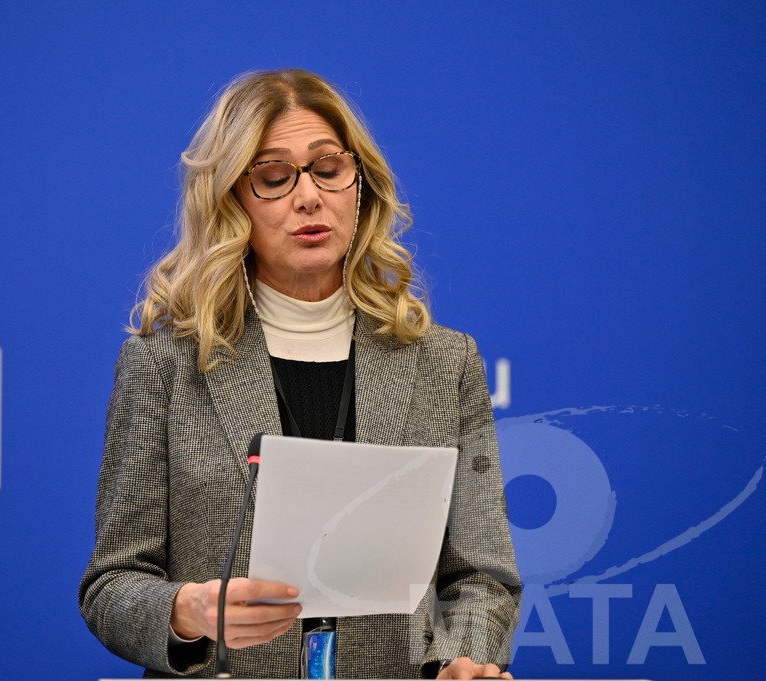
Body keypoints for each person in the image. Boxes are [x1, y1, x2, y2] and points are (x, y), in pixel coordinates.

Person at [79, 68, 520, 679]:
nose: (308, 196)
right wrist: (187, 611)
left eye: (327, 168)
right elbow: (112, 583)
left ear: (359, 184)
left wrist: (459, 660)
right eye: (274, 176)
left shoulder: (444, 363)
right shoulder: (164, 366)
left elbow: (482, 576)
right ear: (232, 198)